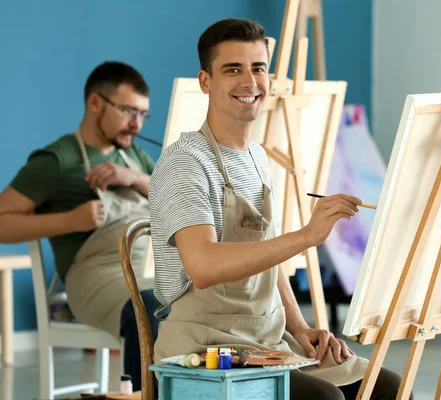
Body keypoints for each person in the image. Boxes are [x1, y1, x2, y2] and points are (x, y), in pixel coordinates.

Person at [149, 19, 413, 399]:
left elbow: (268, 261)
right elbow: (203, 266)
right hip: (205, 346)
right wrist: (307, 236)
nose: (249, 81)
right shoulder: (186, 162)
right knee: (327, 398)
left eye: (258, 68)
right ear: (205, 81)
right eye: (232, 69)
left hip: (267, 339)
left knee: (386, 388)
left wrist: (302, 328)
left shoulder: (257, 157)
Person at [0, 61, 161, 391]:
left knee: (196, 306)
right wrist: (69, 221)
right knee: (147, 313)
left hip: (144, 270)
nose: (136, 124)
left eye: (143, 114)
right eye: (129, 111)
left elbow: (176, 200)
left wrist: (134, 177)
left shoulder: (135, 158)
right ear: (95, 103)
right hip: (93, 278)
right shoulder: (56, 161)